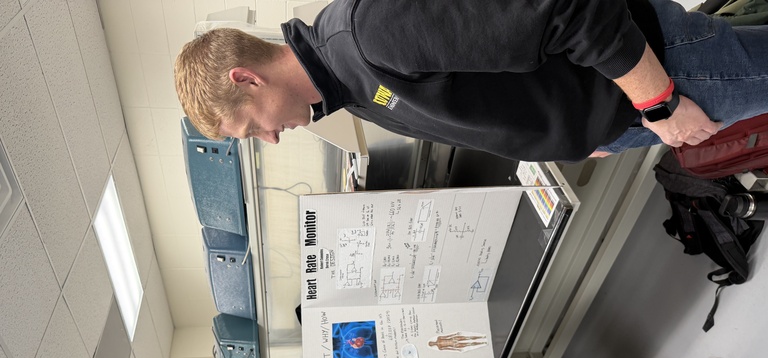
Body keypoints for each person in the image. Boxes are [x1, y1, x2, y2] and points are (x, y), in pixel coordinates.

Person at [174, 0, 768, 163]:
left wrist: (661, 104)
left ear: (247, 78)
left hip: (656, 75)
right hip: (623, 112)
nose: (271, 139)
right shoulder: (348, 85)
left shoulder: (368, 33)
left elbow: (568, 9)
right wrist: (567, 137)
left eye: (252, 128)